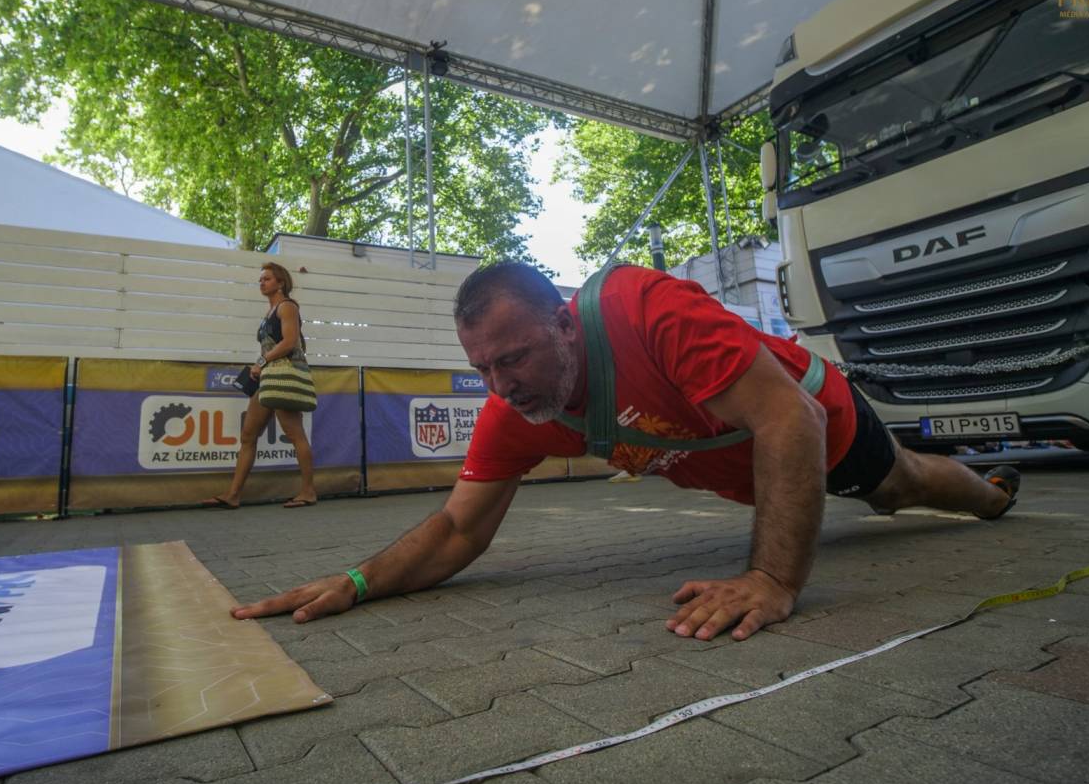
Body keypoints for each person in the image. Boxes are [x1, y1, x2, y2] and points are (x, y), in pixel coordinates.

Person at [232, 262, 1019, 640]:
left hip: (825, 428)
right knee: (892, 490)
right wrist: (359, 580)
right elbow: (458, 530)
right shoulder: (516, 411)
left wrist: (773, 580)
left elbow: (793, 423)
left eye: (516, 358)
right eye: (483, 371)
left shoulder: (646, 309)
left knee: (898, 488)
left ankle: (991, 496)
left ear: (565, 323)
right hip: (760, 473)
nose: (503, 386)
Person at [209, 262, 317, 509]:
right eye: (260, 279)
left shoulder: (287, 306)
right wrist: (260, 367)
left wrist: (260, 362)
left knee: (295, 434)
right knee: (248, 435)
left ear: (281, 283)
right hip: (267, 377)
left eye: (267, 279)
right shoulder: (269, 313)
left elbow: (290, 342)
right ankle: (233, 495)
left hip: (282, 377)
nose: (262, 282)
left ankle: (308, 492)